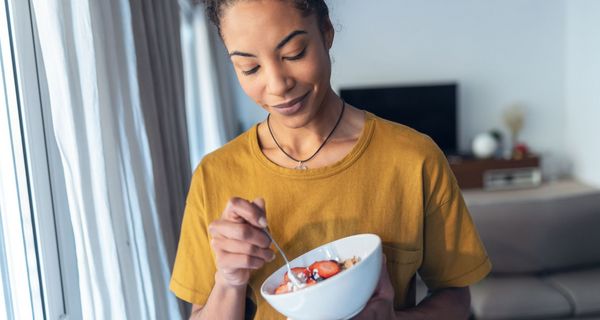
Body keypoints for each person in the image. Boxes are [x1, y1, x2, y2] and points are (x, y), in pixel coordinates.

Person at [170, 0, 492, 319]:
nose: (278, 85)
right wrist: (229, 281)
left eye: (294, 53)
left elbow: (455, 296)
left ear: (326, 32)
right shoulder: (214, 176)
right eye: (250, 67)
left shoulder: (415, 159)